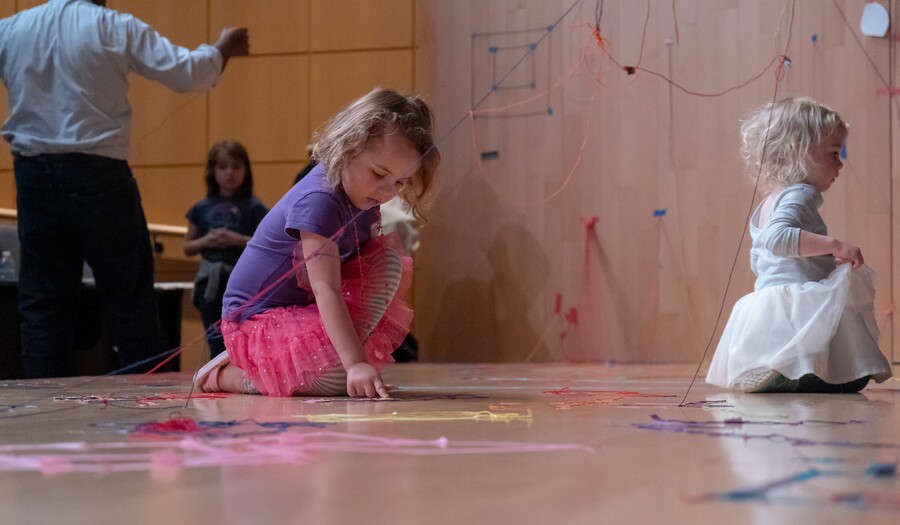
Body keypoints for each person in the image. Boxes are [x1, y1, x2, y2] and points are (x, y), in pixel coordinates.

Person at [0, 0, 250, 378]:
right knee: (129, 297)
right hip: (99, 174)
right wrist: (223, 46)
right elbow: (187, 73)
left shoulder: (12, 28)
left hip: (33, 175)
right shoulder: (112, 26)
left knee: (43, 303)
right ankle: (143, 402)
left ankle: (41, 403)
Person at [194, 87, 440, 398]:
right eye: (379, 173)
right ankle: (226, 374)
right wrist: (353, 364)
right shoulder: (319, 201)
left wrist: (354, 358)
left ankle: (322, 360)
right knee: (335, 378)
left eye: (399, 182)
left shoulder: (363, 196)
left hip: (301, 310)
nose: (387, 190)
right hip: (256, 320)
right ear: (348, 147)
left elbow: (361, 271)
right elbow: (327, 289)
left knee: (387, 259)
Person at [706, 97, 893, 393]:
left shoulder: (771, 200)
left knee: (801, 349)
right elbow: (778, 239)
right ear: (799, 151)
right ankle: (793, 376)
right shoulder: (800, 194)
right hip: (799, 294)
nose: (840, 163)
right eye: (834, 152)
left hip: (767, 296)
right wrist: (836, 246)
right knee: (847, 373)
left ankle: (777, 370)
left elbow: (760, 256)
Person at [184, 140, 268, 358]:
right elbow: (188, 247)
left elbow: (267, 244)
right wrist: (208, 240)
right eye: (223, 167)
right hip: (210, 281)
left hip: (242, 281)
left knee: (241, 336)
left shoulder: (255, 207)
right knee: (214, 337)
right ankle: (216, 378)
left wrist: (237, 239)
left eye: (236, 167)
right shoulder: (201, 207)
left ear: (246, 171)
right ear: (213, 171)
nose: (230, 173)